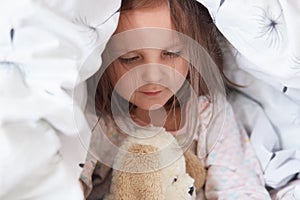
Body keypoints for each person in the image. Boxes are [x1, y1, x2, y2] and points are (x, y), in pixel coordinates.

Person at [80, 0, 271, 199]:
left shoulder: (208, 115)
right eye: (130, 58)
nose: (153, 75)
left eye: (170, 54)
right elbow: (66, 184)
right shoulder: (98, 124)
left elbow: (237, 187)